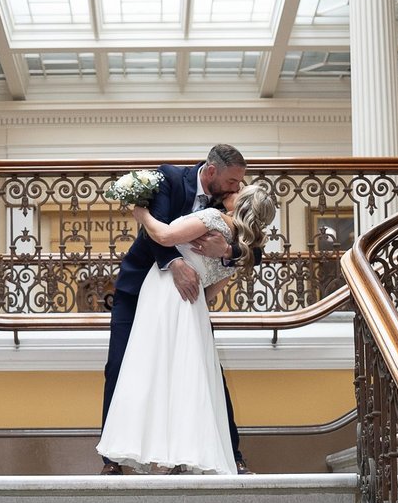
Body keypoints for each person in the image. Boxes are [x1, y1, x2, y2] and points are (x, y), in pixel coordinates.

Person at [96, 185, 276, 476]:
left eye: (240, 189)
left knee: (152, 370)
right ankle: (175, 456)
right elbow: (209, 292)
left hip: (166, 293)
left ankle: (157, 453)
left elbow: (164, 236)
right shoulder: (236, 248)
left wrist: (141, 213)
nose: (235, 188)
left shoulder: (213, 219)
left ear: (239, 202)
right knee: (184, 376)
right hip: (193, 308)